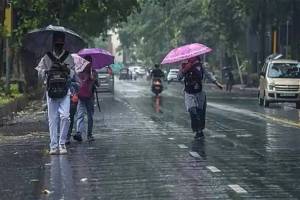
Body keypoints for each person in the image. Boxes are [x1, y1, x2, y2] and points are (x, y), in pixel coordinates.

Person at [35, 31, 76, 155]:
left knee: (65, 117)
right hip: (51, 92)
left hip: (65, 91)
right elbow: (39, 73)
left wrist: (67, 69)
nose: (58, 46)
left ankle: (62, 143)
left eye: (60, 44)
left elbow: (74, 74)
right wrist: (46, 72)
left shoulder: (69, 57)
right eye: (56, 44)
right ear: (53, 44)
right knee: (52, 119)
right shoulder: (46, 57)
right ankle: (53, 145)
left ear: (63, 44)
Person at [178, 56, 223, 139]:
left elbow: (208, 75)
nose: (192, 59)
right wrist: (184, 70)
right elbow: (179, 77)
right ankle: (196, 129)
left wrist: (216, 83)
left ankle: (200, 131)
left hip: (199, 92)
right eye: (191, 58)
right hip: (189, 92)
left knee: (200, 113)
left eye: (194, 58)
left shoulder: (200, 66)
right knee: (192, 110)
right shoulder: (184, 65)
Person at [73, 55, 98, 142]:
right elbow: (98, 85)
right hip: (87, 97)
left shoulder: (81, 71)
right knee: (88, 116)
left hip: (83, 96)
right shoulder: (91, 71)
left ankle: (81, 133)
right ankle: (87, 135)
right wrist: (93, 79)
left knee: (81, 115)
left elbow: (76, 83)